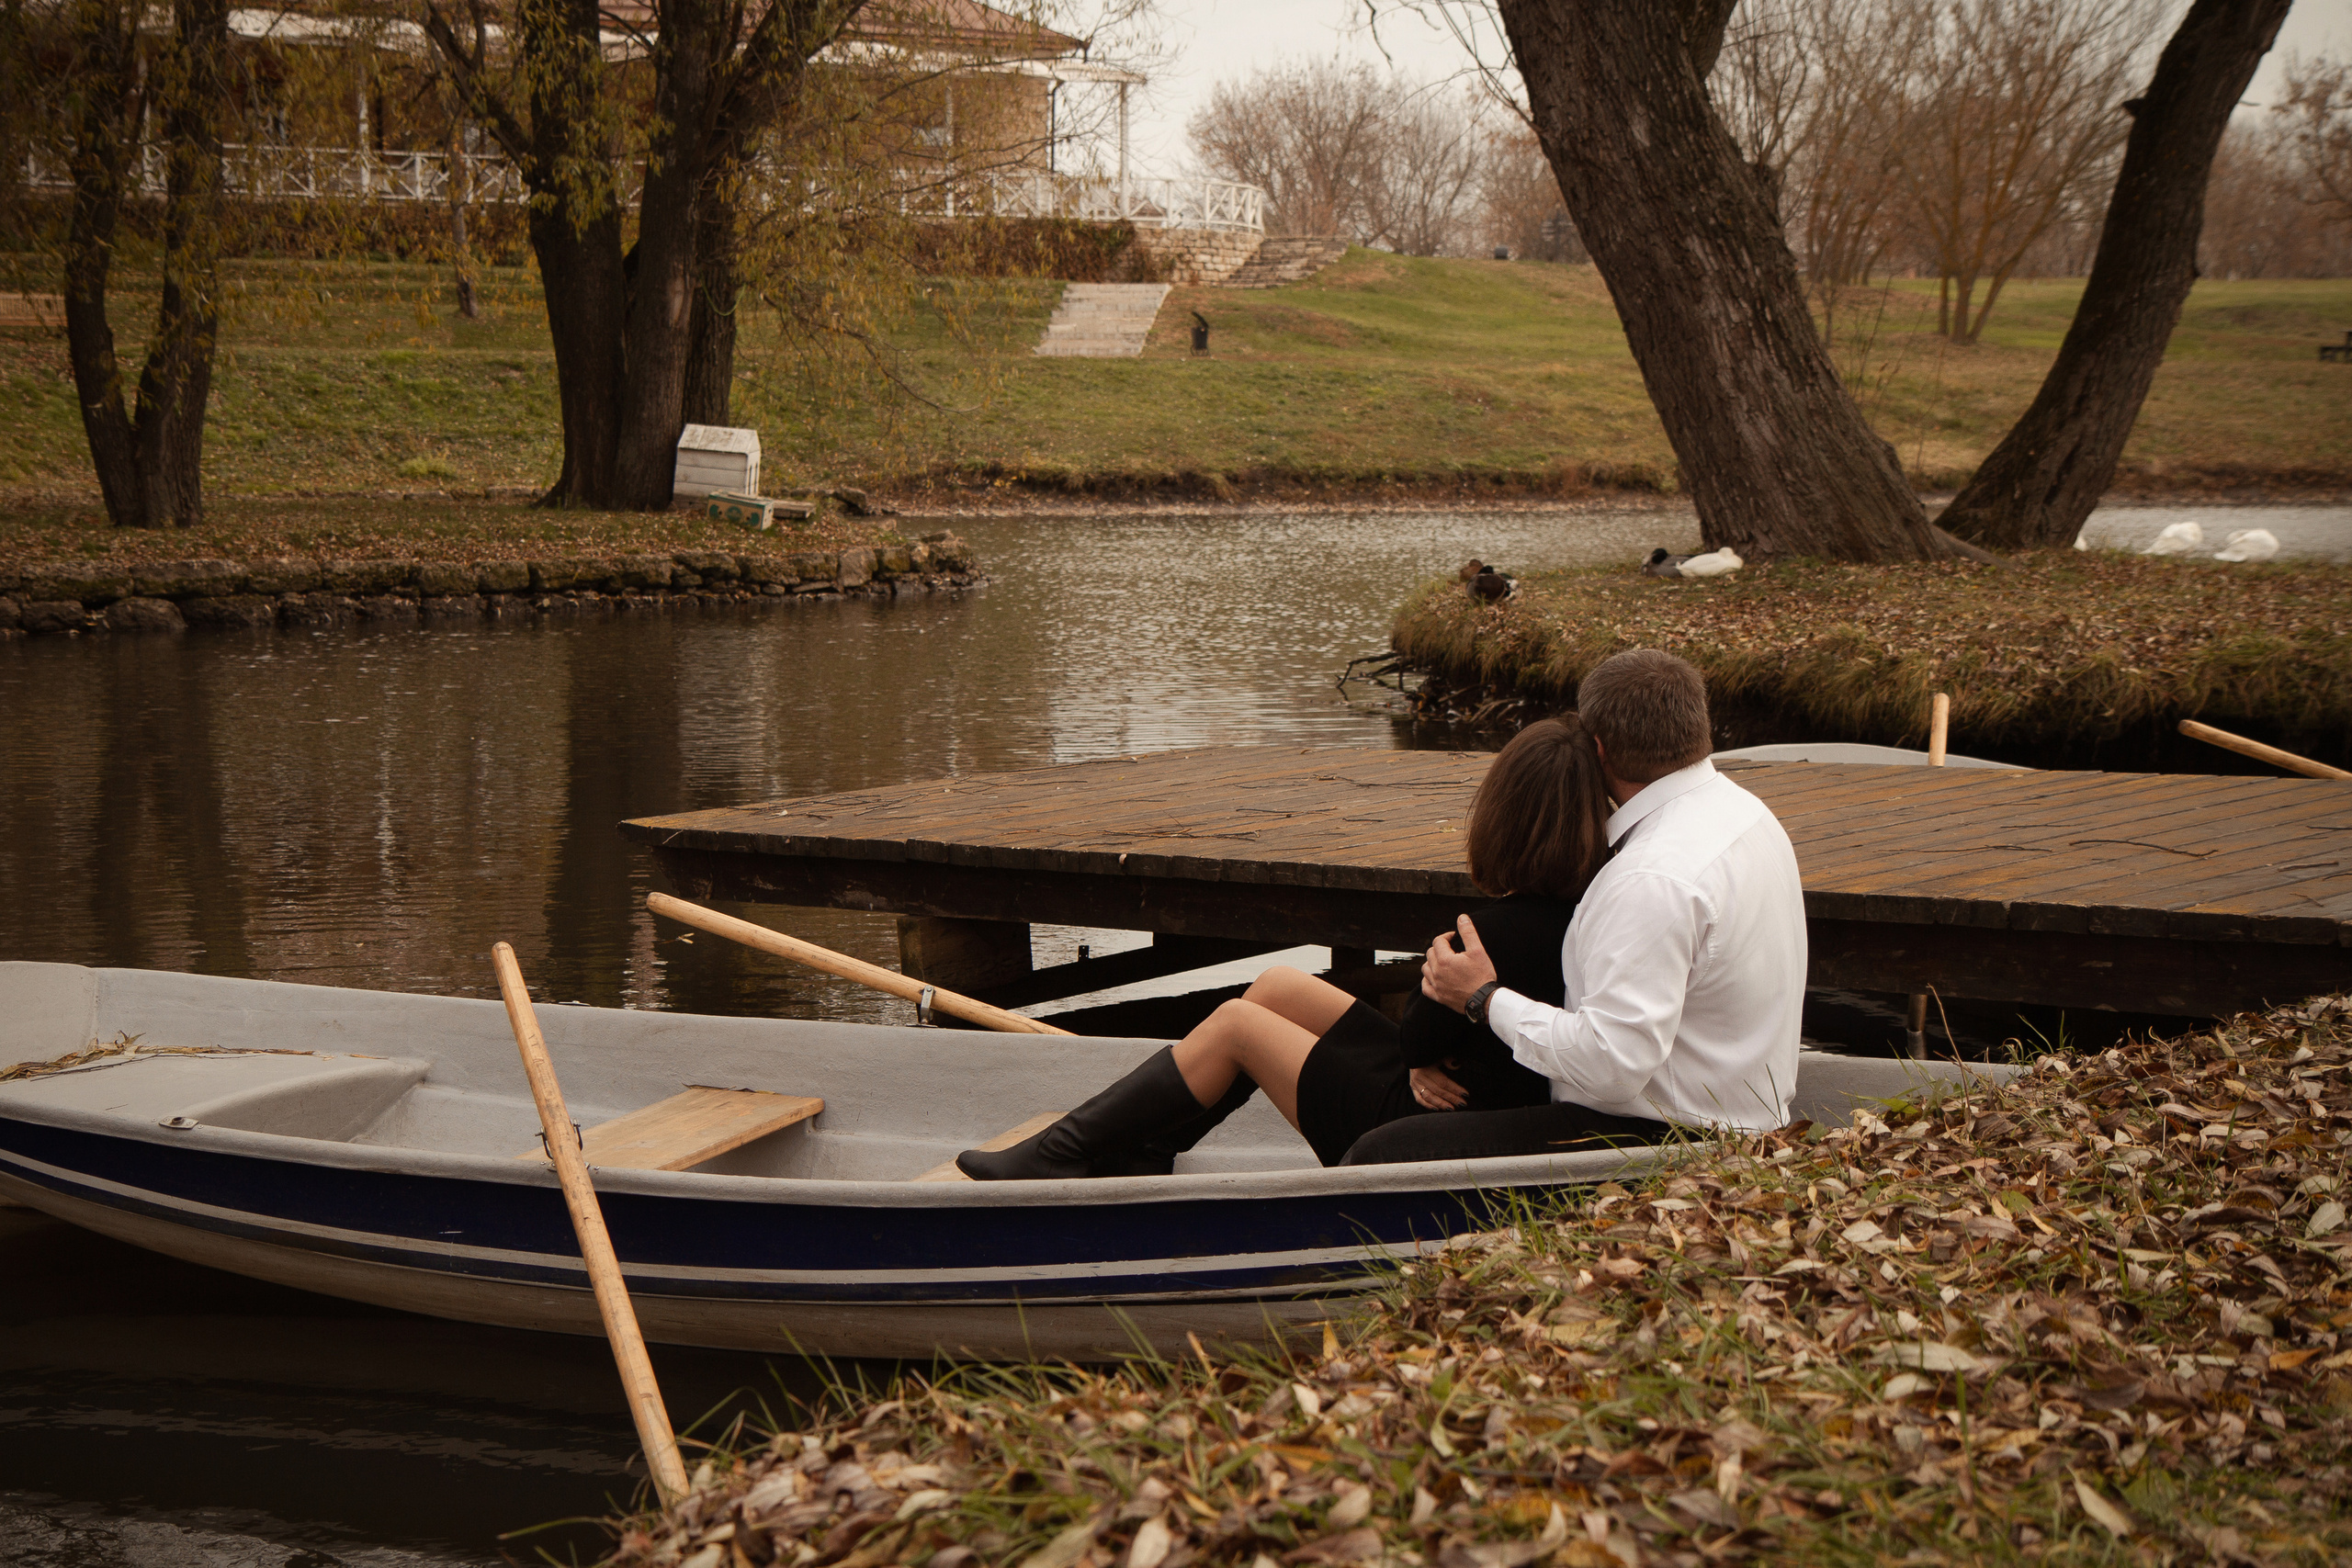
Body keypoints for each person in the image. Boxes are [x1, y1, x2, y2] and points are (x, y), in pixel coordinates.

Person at [955, 715, 1627, 1179]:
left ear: (1502, 819)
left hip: (1417, 1118)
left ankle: (1062, 1151)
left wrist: (1426, 1042)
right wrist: (1426, 1045)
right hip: (1456, 1087)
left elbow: (1420, 1034)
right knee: (1276, 983)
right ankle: (1151, 1145)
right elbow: (1428, 1035)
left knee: (1240, 1024)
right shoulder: (1592, 908)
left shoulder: (1481, 935)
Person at [1385, 647, 1806, 1165]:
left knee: (1377, 1154)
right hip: (1749, 1115)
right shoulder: (1746, 811)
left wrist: (1482, 998)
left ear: (1599, 749)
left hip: (1666, 1140)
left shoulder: (1649, 877)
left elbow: (1613, 1065)